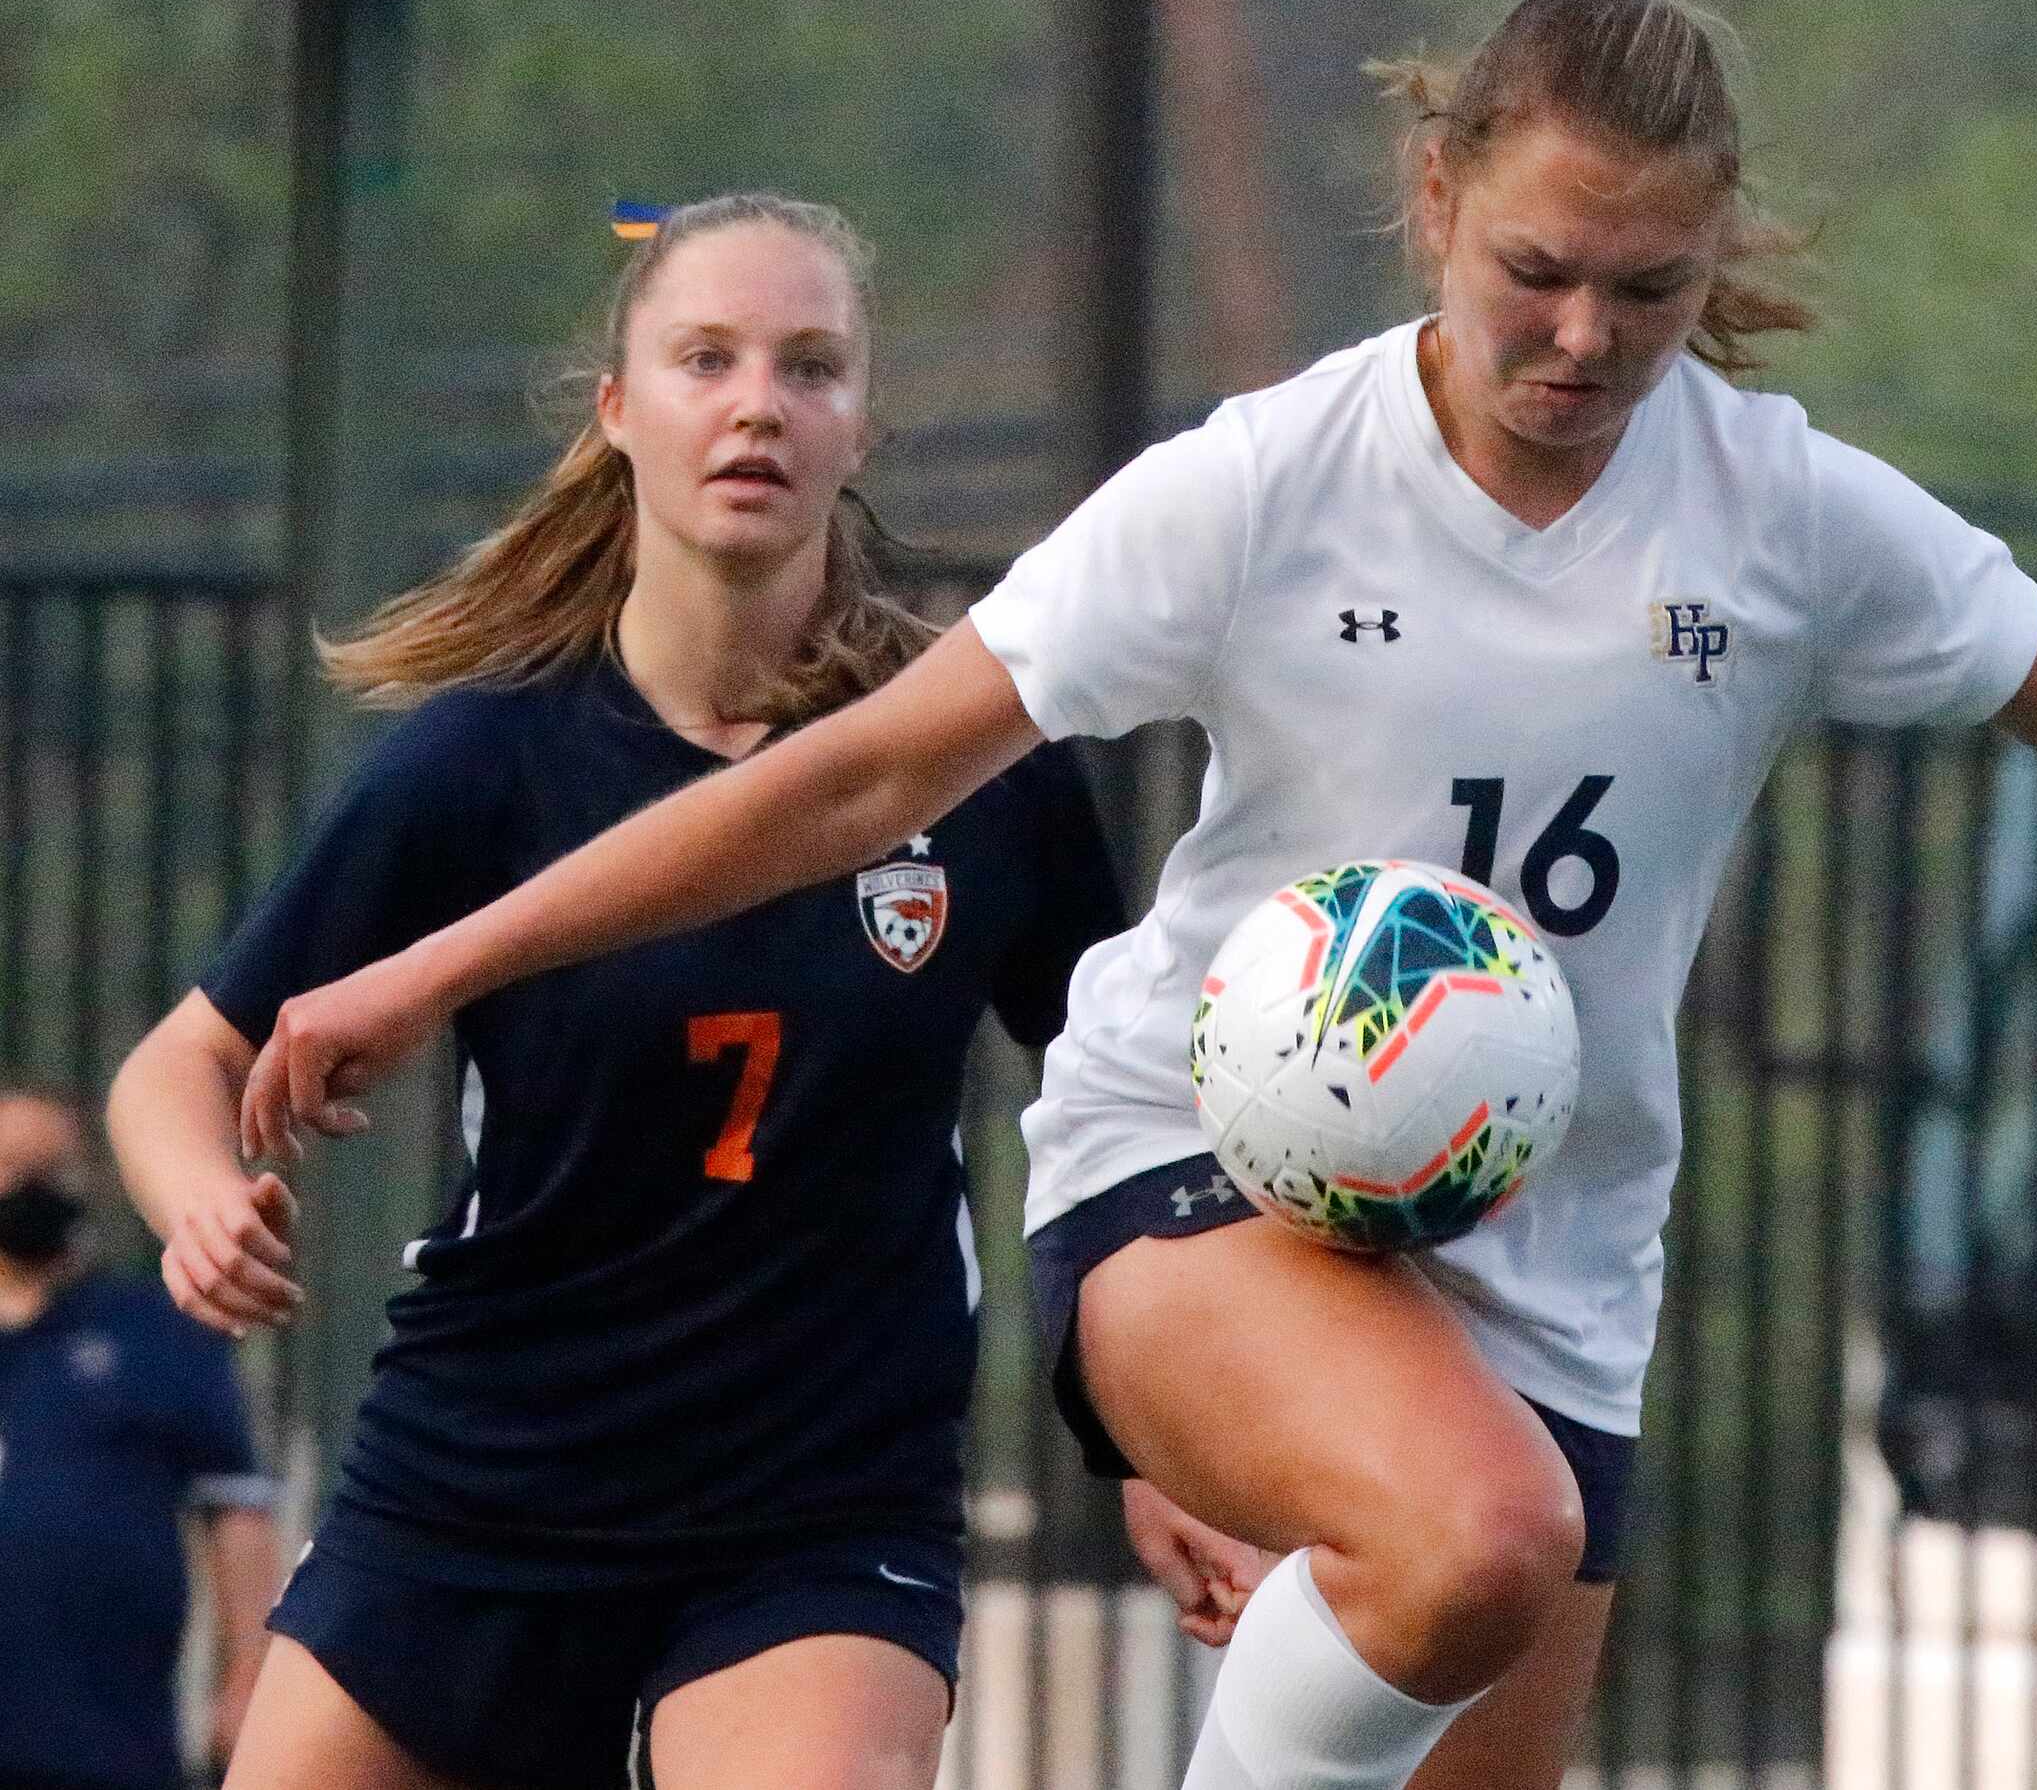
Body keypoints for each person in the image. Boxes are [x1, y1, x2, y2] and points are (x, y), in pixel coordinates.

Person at [225, 0, 2037, 1790]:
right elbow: (846, 776)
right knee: (1473, 1532)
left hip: (1545, 1276)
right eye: (1532, 270)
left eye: (1643, 292)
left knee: (1484, 1545)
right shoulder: (1260, 486)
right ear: (1436, 203)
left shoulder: (1789, 521)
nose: (1579, 334)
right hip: (1192, 1184)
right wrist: (431, 968)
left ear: (1709, 261)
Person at [104, 192, 1246, 1790]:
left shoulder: (979, 771)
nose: (756, 404)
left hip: (817, 1506)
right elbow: (178, 1065)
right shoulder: (481, 762)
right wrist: (199, 1203)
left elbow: (1126, 1130)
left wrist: (1156, 1440)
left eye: (809, 366)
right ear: (620, 411)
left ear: (862, 425)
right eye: (704, 359)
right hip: (484, 1477)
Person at [0, 1086, 279, 1790]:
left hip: (107, 1741)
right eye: (7, 1170)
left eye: (46, 1171)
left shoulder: (158, 1330)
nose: (25, 1192)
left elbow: (238, 1509)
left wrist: (248, 1673)